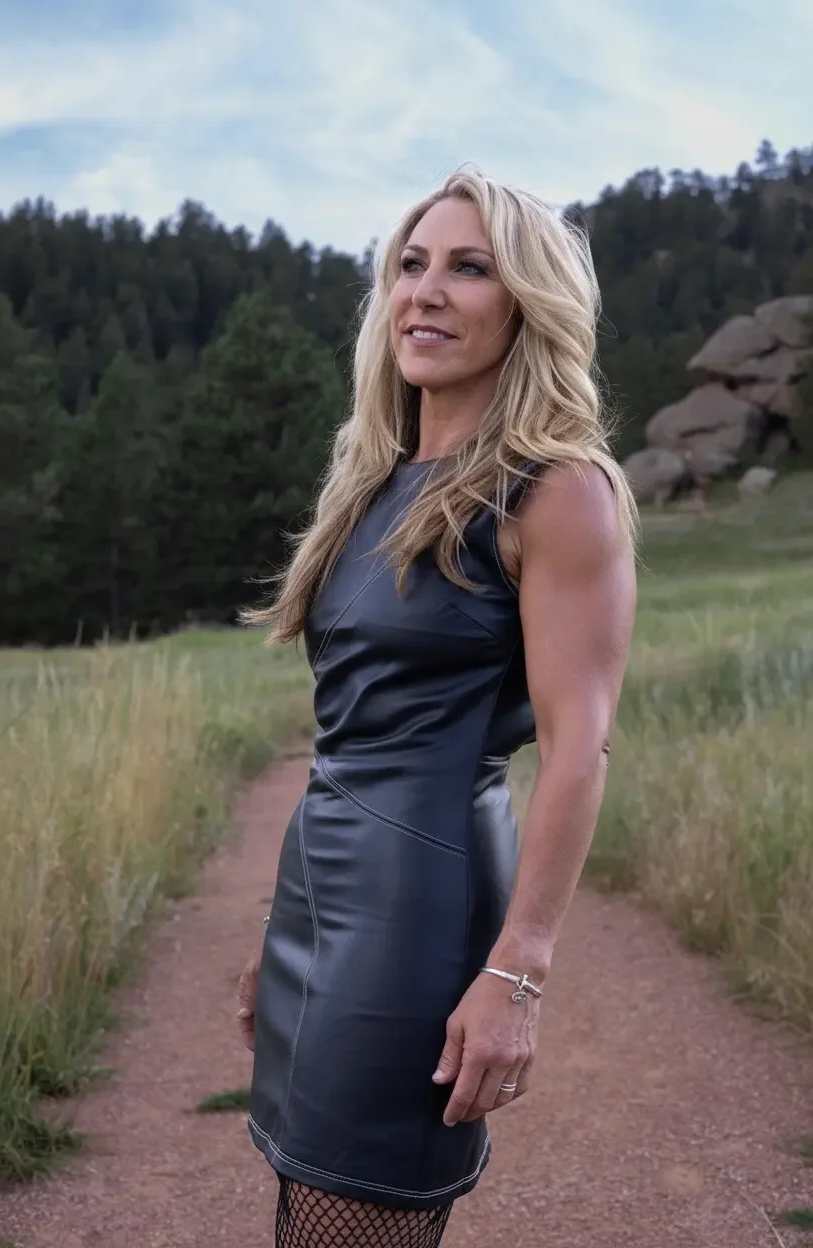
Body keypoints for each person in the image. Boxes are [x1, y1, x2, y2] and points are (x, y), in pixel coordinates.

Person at [236, 168, 638, 1247]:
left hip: (419, 919)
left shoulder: (555, 490)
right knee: (299, 1208)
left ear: (527, 307)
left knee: (344, 1223)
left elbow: (578, 750)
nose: (425, 291)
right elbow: (352, 732)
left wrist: (517, 973)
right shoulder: (371, 483)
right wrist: (285, 920)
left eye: (470, 268)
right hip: (322, 897)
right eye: (410, 265)